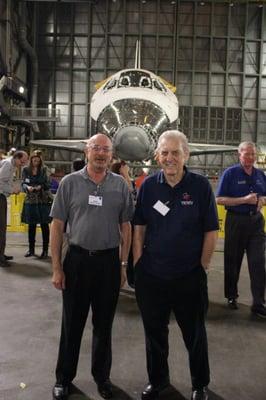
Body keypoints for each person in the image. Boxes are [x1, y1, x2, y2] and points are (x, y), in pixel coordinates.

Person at [133, 130, 219, 400]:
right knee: (154, 335)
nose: (169, 158)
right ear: (158, 155)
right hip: (153, 277)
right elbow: (139, 228)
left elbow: (211, 231)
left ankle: (200, 384)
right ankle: (158, 381)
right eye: (165, 153)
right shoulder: (148, 186)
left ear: (186, 155)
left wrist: (202, 267)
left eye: (175, 152)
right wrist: (137, 264)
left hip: (188, 278)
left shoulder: (200, 186)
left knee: (195, 335)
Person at [50, 133, 134, 400]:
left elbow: (126, 226)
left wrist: (123, 264)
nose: (100, 153)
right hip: (76, 261)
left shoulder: (120, 185)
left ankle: (102, 377)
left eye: (105, 150)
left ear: (112, 155)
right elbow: (57, 226)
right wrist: (56, 268)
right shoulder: (70, 183)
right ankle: (63, 378)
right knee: (71, 324)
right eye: (96, 148)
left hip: (108, 263)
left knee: (104, 325)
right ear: (86, 151)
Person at [216, 141, 266, 318]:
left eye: (253, 154)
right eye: (247, 154)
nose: (250, 157)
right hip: (236, 221)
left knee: (259, 263)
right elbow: (220, 199)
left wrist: (261, 200)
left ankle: (259, 303)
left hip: (256, 222)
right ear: (239, 154)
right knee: (232, 260)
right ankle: (231, 296)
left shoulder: (260, 175)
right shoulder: (230, 174)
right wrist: (243, 200)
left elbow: (265, 195)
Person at [21, 152, 53, 259]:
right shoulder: (25, 170)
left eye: (38, 161)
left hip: (43, 200)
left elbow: (48, 184)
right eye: (34, 160)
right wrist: (27, 187)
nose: (36, 162)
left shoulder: (45, 169)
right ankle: (31, 249)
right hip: (31, 200)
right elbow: (23, 183)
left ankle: (45, 250)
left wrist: (40, 187)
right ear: (31, 160)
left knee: (44, 225)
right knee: (31, 225)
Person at [0, 150, 29, 267]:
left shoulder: (11, 165)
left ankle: (1, 253)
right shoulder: (8, 164)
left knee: (2, 228)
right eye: (22, 162)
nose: (22, 164)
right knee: (1, 228)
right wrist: (13, 190)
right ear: (16, 157)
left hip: (2, 196)